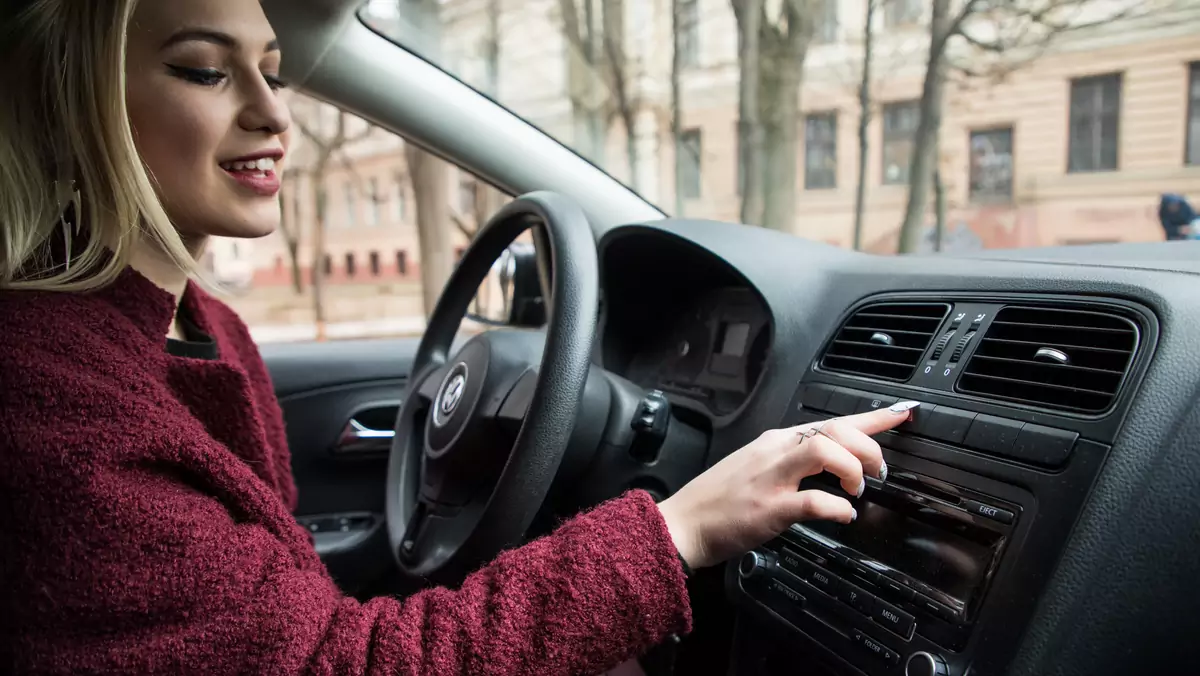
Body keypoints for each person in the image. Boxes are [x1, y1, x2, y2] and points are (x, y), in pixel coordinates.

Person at [0, 1, 915, 674]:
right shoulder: (49, 405)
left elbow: (285, 626)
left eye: (273, 72)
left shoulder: (203, 325)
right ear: (72, 103)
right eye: (205, 70)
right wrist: (680, 528)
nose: (275, 114)